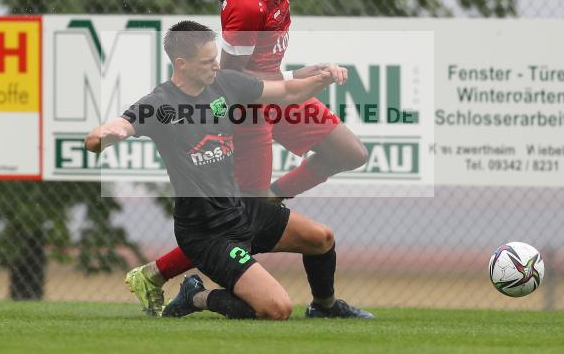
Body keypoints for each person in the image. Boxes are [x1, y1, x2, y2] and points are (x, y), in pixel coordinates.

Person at [125, 0, 368, 315]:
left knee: (350, 151)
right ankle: (157, 275)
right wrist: (294, 76)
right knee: (240, 223)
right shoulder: (248, 4)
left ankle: (270, 199)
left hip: (280, 97)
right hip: (251, 111)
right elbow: (231, 80)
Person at [87, 21, 373, 320]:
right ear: (181, 64)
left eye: (215, 58)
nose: (215, 66)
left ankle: (323, 308)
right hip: (207, 232)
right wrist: (106, 135)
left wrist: (323, 79)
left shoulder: (224, 83)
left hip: (242, 209)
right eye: (207, 62)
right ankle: (196, 297)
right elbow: (108, 131)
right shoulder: (161, 104)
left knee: (321, 239)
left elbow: (287, 91)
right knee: (277, 309)